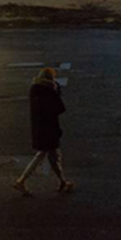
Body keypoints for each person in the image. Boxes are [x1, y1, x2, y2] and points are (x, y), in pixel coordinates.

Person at [13, 67, 75, 196]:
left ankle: (62, 181)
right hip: (49, 129)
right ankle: (21, 180)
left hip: (39, 128)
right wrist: (56, 91)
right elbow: (60, 108)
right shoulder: (49, 91)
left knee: (53, 156)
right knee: (45, 155)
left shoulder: (34, 89)